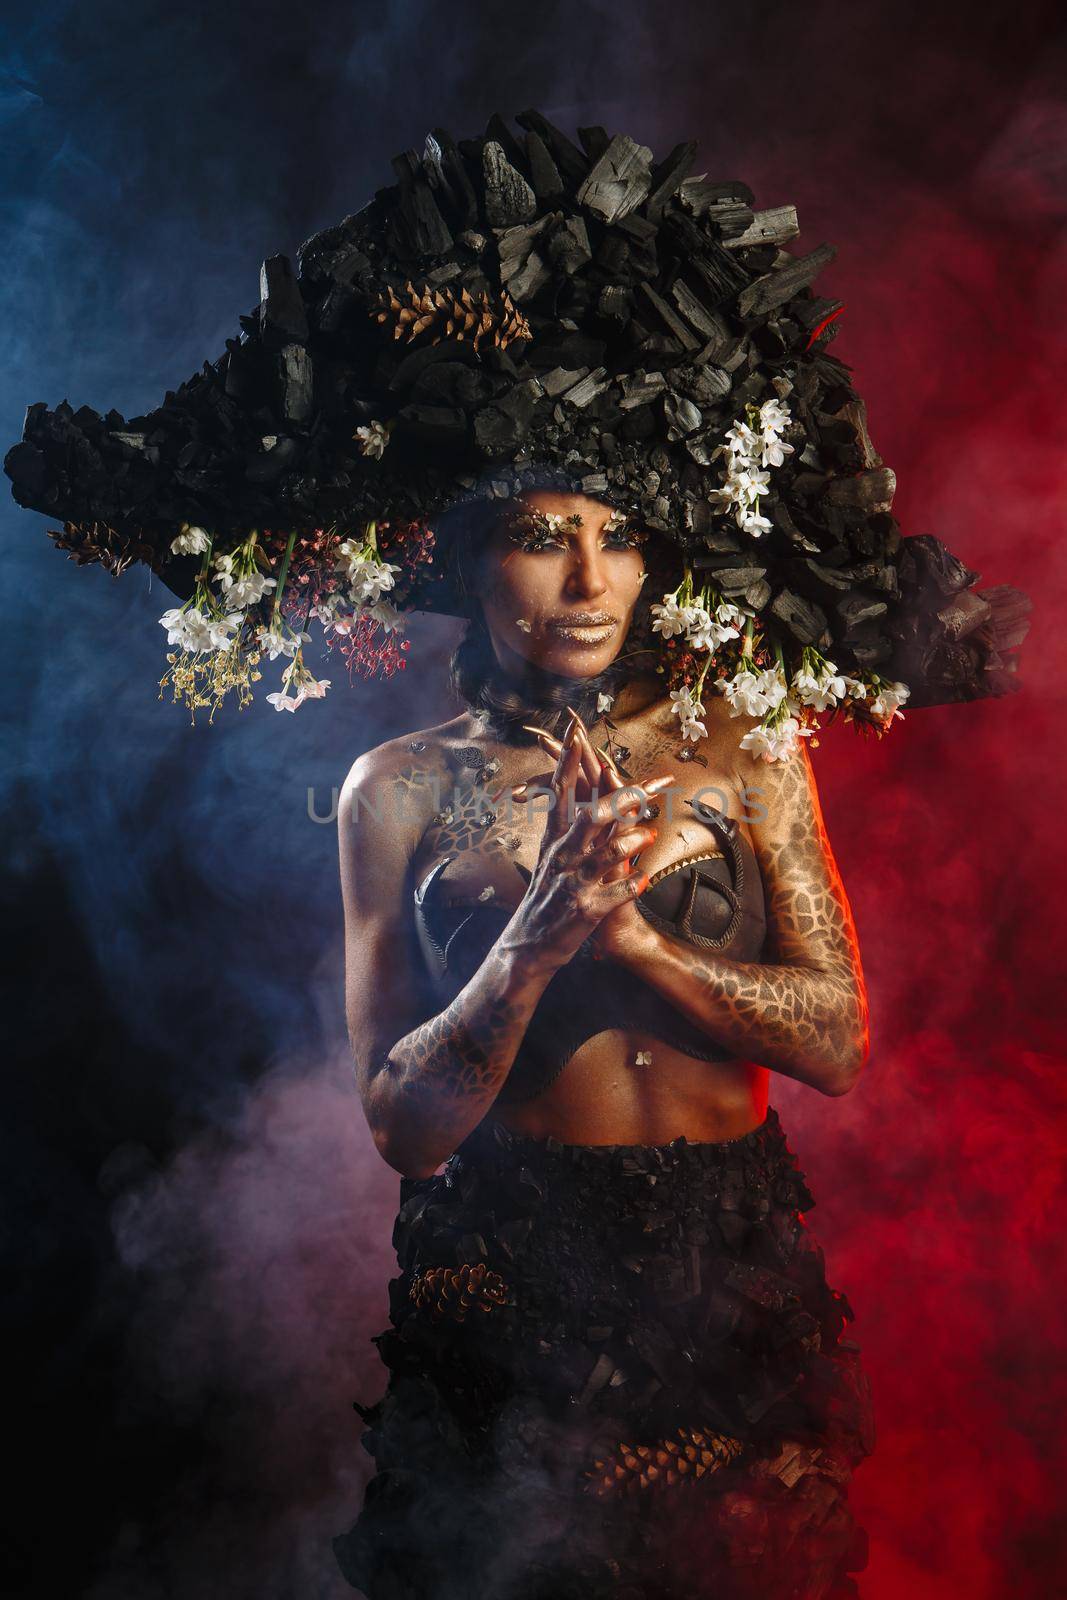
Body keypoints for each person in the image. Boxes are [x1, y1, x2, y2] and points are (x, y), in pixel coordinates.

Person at [332, 485, 876, 1600]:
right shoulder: (394, 789)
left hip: (724, 1255)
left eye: (617, 535)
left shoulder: (743, 746)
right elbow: (401, 1129)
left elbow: (837, 1040)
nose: (588, 582)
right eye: (541, 541)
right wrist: (534, 940)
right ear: (469, 565)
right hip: (505, 1266)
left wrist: (632, 943)